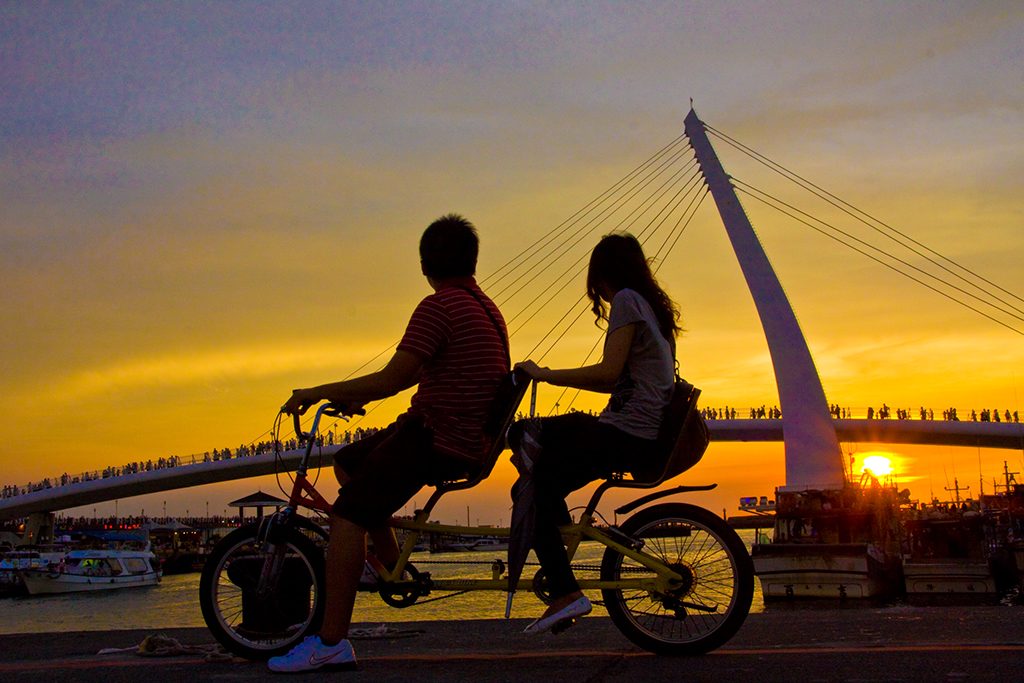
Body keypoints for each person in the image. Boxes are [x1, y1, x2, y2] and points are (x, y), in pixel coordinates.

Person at [270, 214, 509, 673]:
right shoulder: (484, 308)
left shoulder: (438, 307)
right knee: (349, 462)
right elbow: (432, 370)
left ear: (424, 265)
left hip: (437, 438)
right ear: (472, 261)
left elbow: (393, 379)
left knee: (346, 515)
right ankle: (386, 560)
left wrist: (319, 391)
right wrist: (351, 396)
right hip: (459, 434)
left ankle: (331, 642)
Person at [512, 232, 681, 634]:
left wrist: (545, 375)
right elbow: (620, 379)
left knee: (526, 464)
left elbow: (607, 374)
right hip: (636, 431)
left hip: (624, 431)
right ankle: (563, 583)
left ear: (602, 275)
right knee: (539, 480)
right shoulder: (654, 310)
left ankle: (566, 591)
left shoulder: (626, 301)